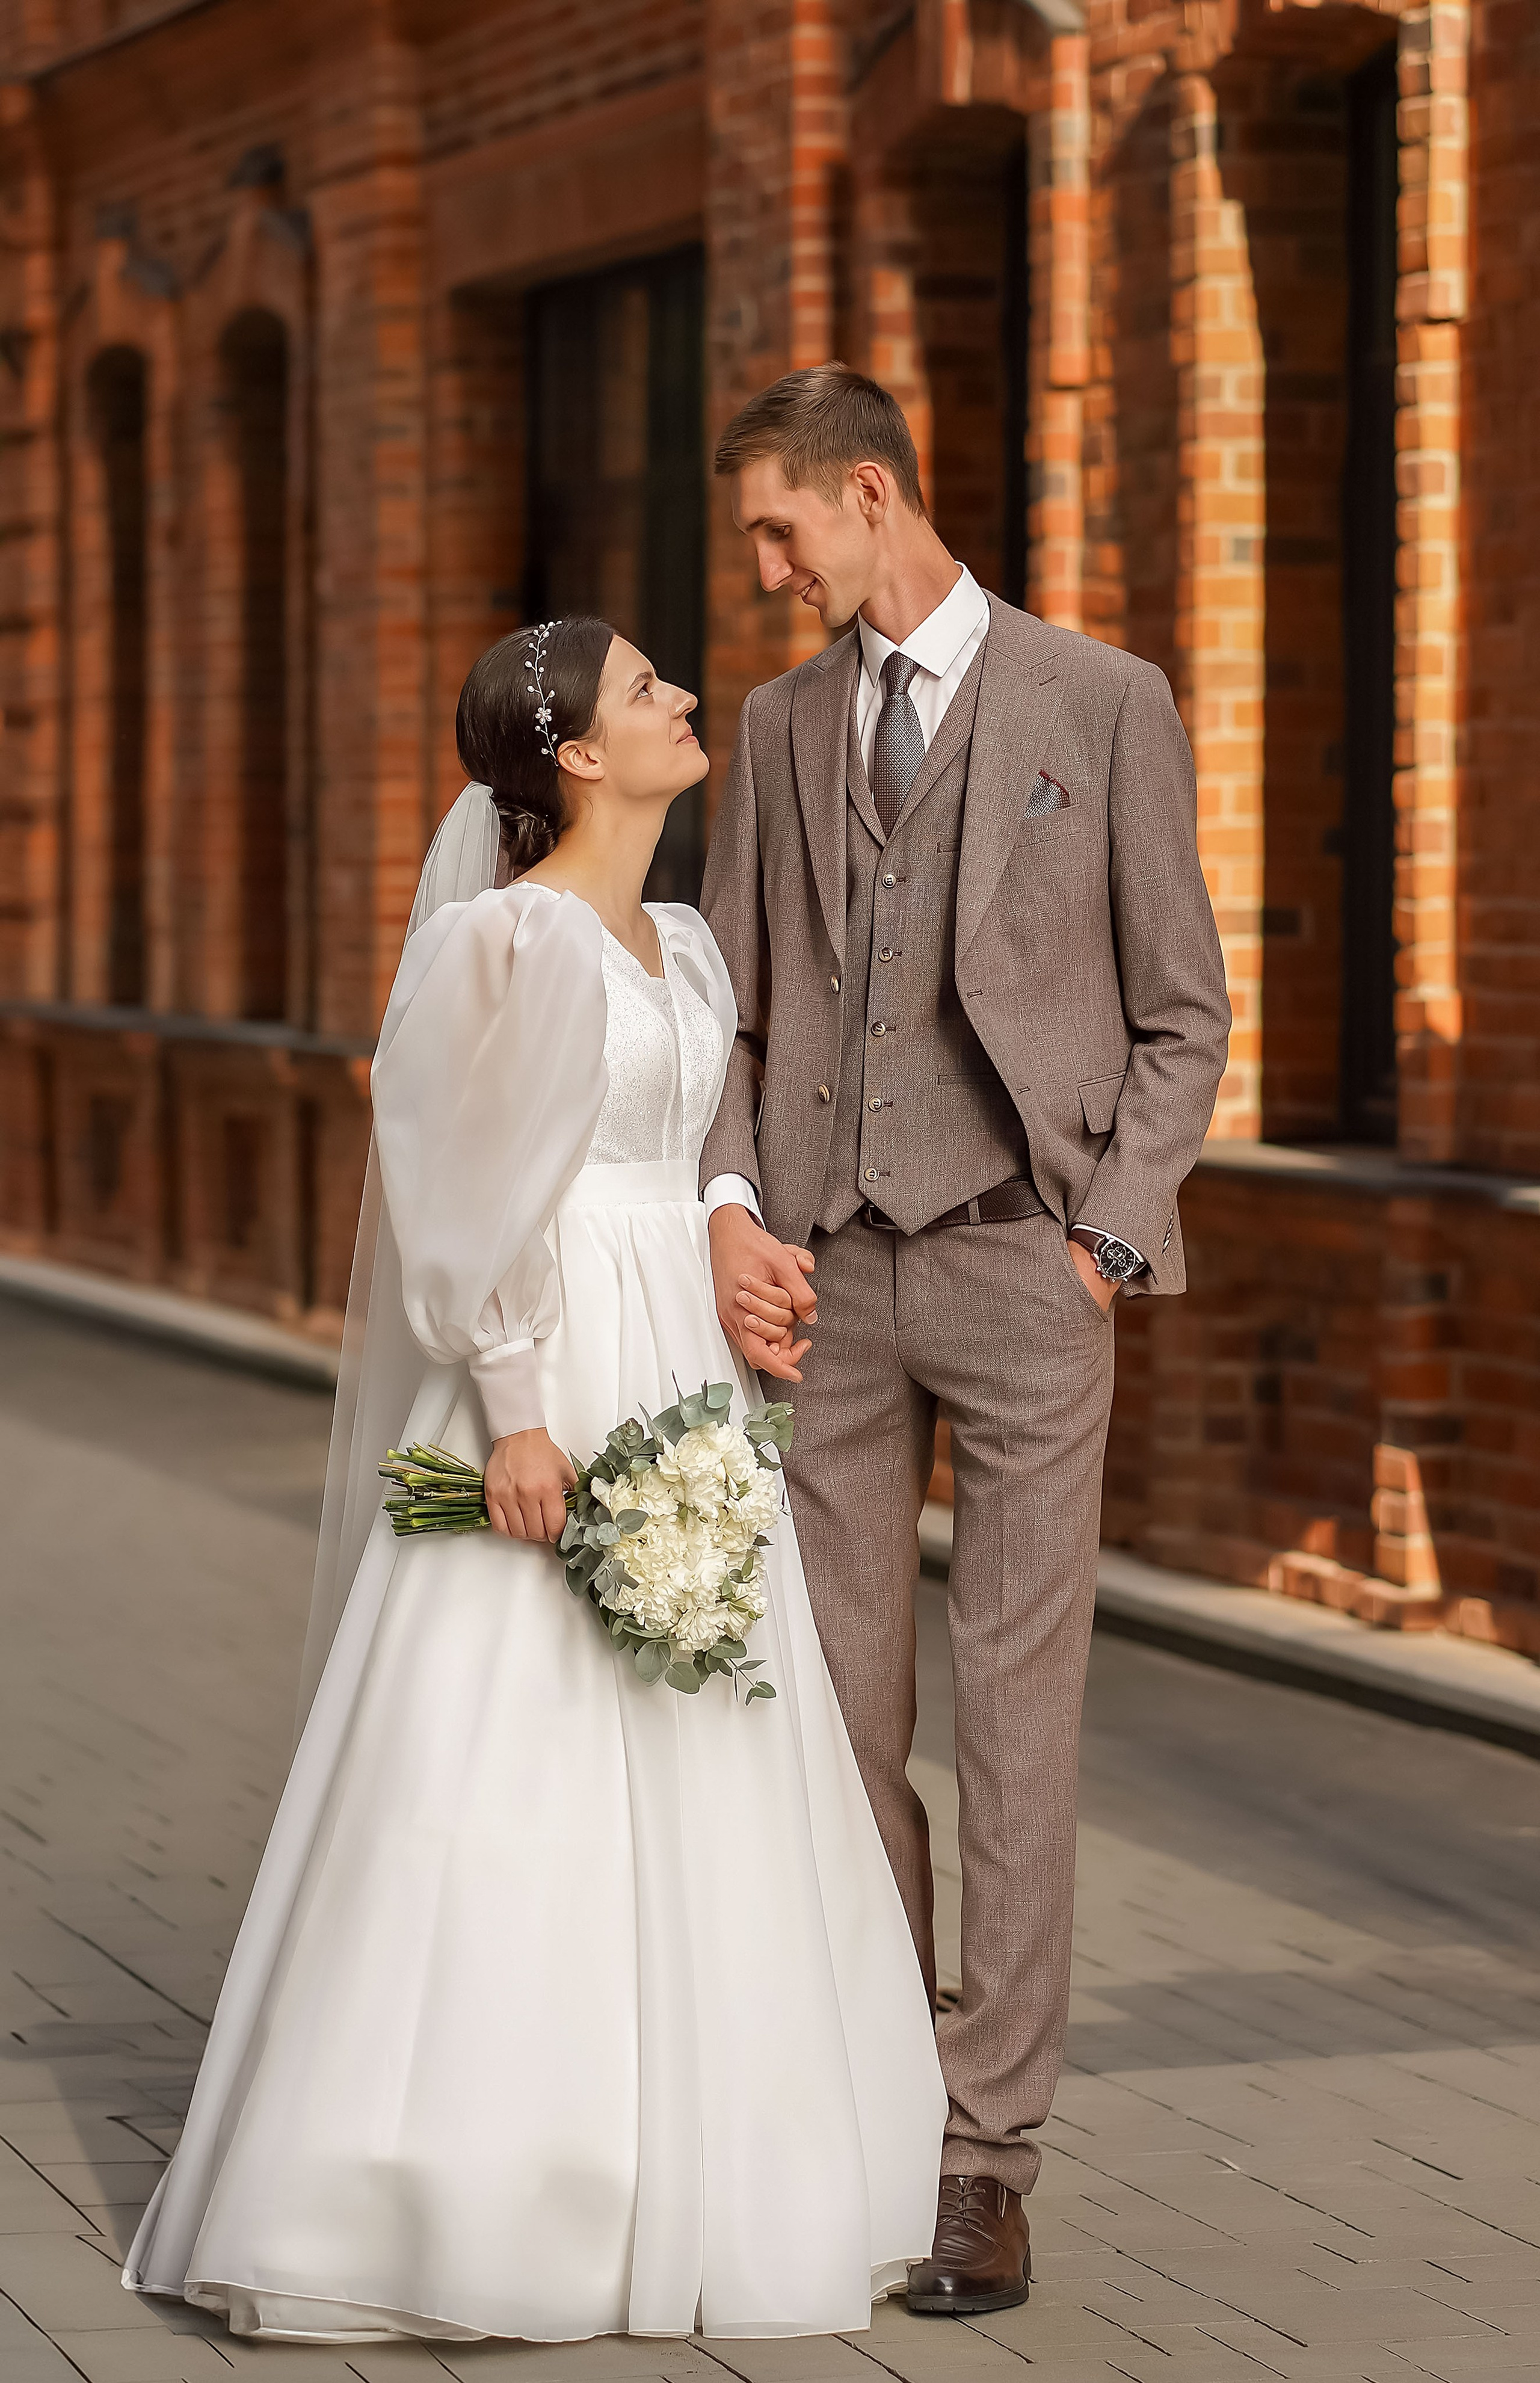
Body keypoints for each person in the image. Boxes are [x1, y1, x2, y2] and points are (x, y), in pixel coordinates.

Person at [122, 615, 946, 2345]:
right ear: (573, 750)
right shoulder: (501, 942)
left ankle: (699, 2172)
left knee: (711, 1732)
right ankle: (452, 2180)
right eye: (648, 688)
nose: (681, 701)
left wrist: (731, 1231)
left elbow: (694, 1144)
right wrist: (510, 1400)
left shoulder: (681, 947)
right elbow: (450, 1174)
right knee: (508, 1742)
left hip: (686, 1368)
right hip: (556, 1351)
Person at [701, 364, 1230, 2314]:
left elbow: (1185, 1009)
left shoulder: (1101, 703)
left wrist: (1106, 1234)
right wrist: (735, 1210)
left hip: (1026, 1266)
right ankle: (869, 2083)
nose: (763, 570)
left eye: (781, 531)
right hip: (829, 1287)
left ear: (869, 492)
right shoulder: (771, 727)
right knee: (837, 1719)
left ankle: (983, 2160)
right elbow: (737, 1016)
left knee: (1016, 1726)